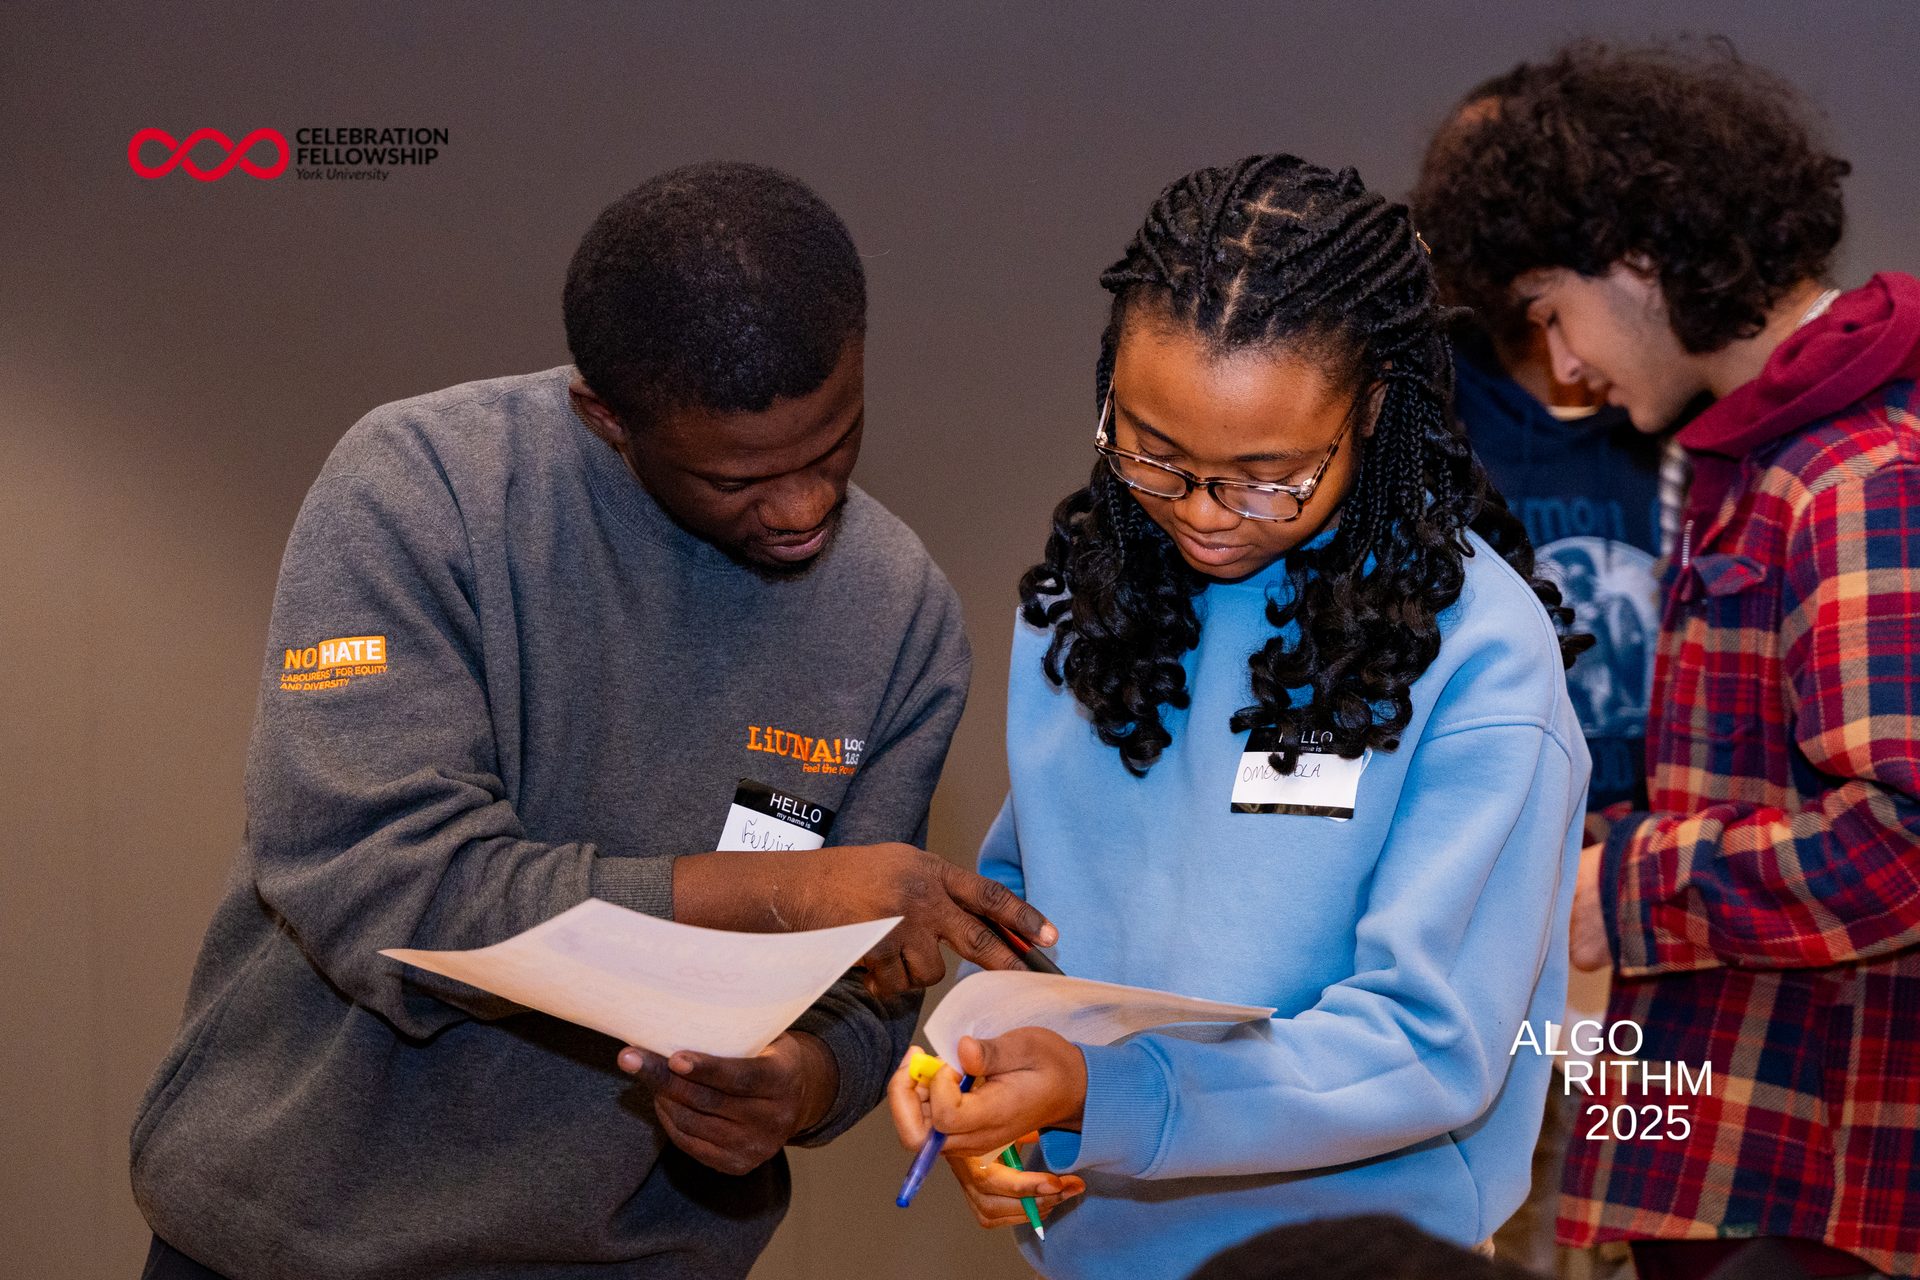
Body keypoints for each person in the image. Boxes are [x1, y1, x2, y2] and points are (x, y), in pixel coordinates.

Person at [129, 161, 1053, 1280]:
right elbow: (384, 884)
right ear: (606, 417)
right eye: (737, 479)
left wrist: (800, 1087)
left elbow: (862, 995)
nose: (804, 508)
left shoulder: (896, 613)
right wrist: (784, 891)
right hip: (286, 1245)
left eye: (834, 445)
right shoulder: (424, 494)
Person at [888, 154, 1591, 1280]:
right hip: (1090, 1245)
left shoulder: (1479, 652)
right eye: (1154, 452)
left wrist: (1114, 1094)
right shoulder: (1092, 600)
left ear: (1372, 409)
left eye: (1267, 475)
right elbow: (1029, 932)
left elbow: (1431, 1038)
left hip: (1360, 1255)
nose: (1205, 516)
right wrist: (965, 1063)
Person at [1416, 41, 1920, 1280]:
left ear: (1638, 262)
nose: (1568, 365)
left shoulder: (1858, 477)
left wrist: (1623, 881)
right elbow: (1761, 801)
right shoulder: (1757, 463)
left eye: (1551, 313)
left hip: (1822, 1176)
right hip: (1733, 1141)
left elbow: (1903, 842)